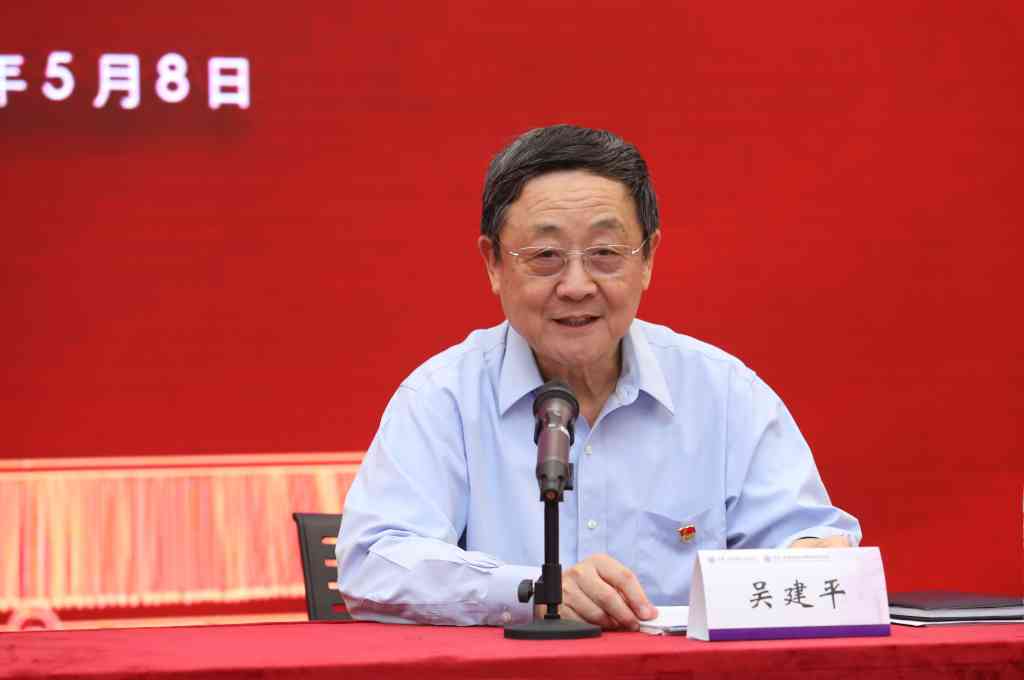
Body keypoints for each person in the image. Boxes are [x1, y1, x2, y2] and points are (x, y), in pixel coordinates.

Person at [336, 124, 861, 630]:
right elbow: (375, 561)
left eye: (606, 254)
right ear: (493, 263)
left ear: (648, 258)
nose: (576, 286)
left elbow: (807, 539)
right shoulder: (443, 397)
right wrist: (533, 591)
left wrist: (811, 555)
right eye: (545, 256)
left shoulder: (723, 394)